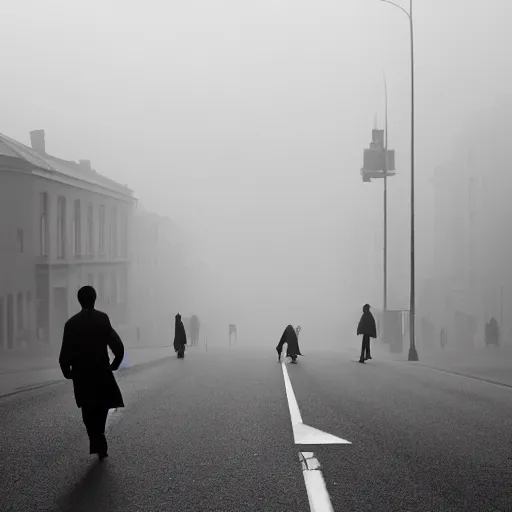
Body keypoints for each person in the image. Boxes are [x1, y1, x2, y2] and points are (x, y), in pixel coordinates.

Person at [58, 286, 125, 460]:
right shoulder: (102, 319)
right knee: (102, 406)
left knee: (87, 408)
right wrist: (115, 362)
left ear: (79, 300)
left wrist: (67, 370)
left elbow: (65, 352)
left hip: (82, 374)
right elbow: (116, 343)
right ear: (94, 299)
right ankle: (100, 435)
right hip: (101, 370)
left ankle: (94, 437)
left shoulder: (71, 324)